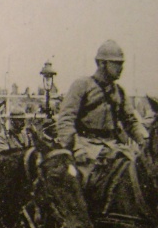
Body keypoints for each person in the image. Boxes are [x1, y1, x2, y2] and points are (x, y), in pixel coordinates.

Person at [56, 40, 147, 177]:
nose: (121, 68)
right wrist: (76, 147)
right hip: (85, 146)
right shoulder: (82, 85)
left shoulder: (119, 91)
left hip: (114, 146)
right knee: (81, 183)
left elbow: (131, 121)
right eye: (116, 63)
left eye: (122, 63)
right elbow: (65, 120)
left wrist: (144, 140)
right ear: (102, 63)